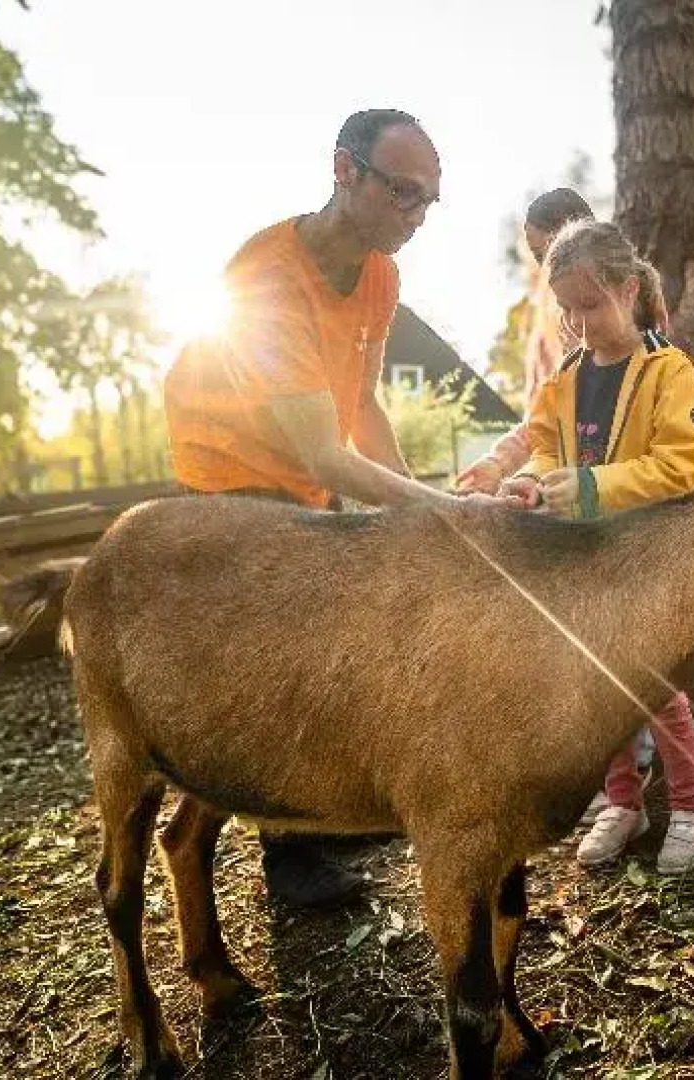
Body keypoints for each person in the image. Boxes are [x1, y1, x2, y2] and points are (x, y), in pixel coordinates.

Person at [163, 108, 462, 908]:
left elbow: (359, 406)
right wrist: (439, 510)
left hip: (299, 469)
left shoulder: (380, 272)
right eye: (403, 191)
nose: (416, 214)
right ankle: (290, 857)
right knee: (283, 659)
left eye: (430, 199)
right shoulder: (266, 277)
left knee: (341, 643)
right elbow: (324, 454)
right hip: (227, 476)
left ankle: (324, 810)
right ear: (345, 170)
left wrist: (419, 512)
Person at [497, 220, 694, 874]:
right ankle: (622, 800)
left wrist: (592, 488)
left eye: (591, 305)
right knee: (594, 681)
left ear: (627, 289)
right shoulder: (565, 375)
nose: (579, 322)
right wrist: (530, 483)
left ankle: (693, 805)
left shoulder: (668, 371)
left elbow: (679, 469)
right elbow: (544, 448)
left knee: (656, 686)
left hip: (646, 559)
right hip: (579, 559)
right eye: (567, 309)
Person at [455, 188, 600, 496]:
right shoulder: (548, 324)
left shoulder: (618, 319)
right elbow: (544, 420)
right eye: (538, 257)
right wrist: (501, 463)